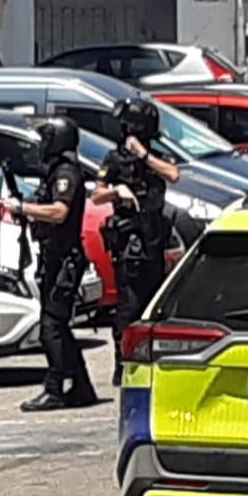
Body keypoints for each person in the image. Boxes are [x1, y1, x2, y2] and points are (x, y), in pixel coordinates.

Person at [3, 117, 97, 412]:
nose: (41, 146)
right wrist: (25, 212)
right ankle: (81, 386)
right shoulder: (53, 172)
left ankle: (55, 388)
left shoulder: (66, 173)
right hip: (53, 258)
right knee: (58, 325)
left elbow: (59, 212)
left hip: (65, 259)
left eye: (46, 140)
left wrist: (24, 208)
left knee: (50, 327)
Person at [91, 98, 180, 387]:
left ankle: (152, 359)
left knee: (155, 303)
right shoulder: (114, 158)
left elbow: (173, 174)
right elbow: (97, 195)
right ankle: (123, 362)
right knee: (128, 306)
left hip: (154, 240)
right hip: (129, 243)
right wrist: (118, 191)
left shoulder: (155, 157)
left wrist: (144, 156)